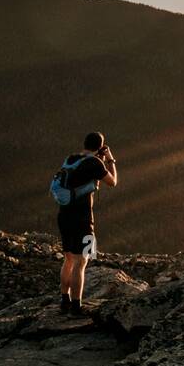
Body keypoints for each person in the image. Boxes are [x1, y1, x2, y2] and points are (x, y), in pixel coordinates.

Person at [57, 131, 118, 316]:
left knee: (68, 258)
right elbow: (112, 182)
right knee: (81, 262)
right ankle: (77, 305)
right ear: (100, 146)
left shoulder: (71, 159)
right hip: (83, 218)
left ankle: (64, 300)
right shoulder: (95, 163)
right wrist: (110, 160)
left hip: (64, 214)